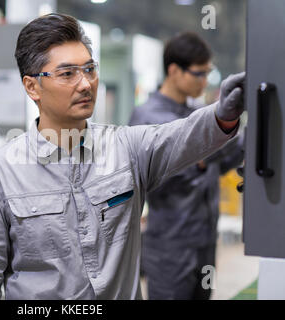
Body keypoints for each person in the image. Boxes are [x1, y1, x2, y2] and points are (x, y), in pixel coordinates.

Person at [0, 13, 245, 300]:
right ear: (32, 86)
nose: (85, 84)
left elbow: (184, 135)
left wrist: (225, 112)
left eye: (89, 69)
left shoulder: (127, 148)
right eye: (68, 73)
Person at [129, 32, 244, 300]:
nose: (205, 81)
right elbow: (156, 178)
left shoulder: (195, 115)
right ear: (174, 71)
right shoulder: (148, 118)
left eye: (208, 73)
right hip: (171, 245)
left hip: (204, 241)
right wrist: (203, 158)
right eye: (198, 74)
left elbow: (220, 160)